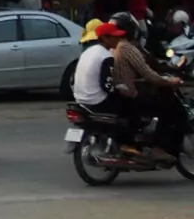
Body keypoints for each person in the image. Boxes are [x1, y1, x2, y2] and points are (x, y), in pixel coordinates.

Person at [104, 12, 186, 162]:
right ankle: (159, 148)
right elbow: (148, 74)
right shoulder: (127, 48)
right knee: (169, 108)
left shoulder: (112, 47)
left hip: (120, 94)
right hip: (130, 95)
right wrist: (170, 82)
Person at [73, 19, 118, 115]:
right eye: (115, 37)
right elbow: (107, 86)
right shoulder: (106, 56)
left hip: (79, 100)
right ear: (105, 38)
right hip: (96, 102)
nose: (118, 40)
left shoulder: (87, 51)